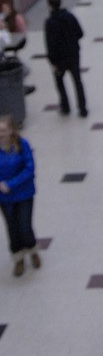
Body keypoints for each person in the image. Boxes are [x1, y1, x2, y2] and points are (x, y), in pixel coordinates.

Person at [0, 114, 39, 277]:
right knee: (12, 229)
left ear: (11, 130)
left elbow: (29, 169)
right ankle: (18, 259)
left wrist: (10, 184)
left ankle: (32, 249)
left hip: (23, 194)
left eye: (3, 130)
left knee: (24, 226)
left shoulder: (22, 145)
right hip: (5, 198)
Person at [44, 0, 88, 117]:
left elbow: (50, 43)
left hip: (59, 59)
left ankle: (65, 106)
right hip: (74, 54)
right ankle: (83, 108)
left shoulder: (50, 22)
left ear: (50, 6)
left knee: (59, 81)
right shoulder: (70, 16)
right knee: (77, 81)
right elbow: (80, 33)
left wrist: (52, 61)